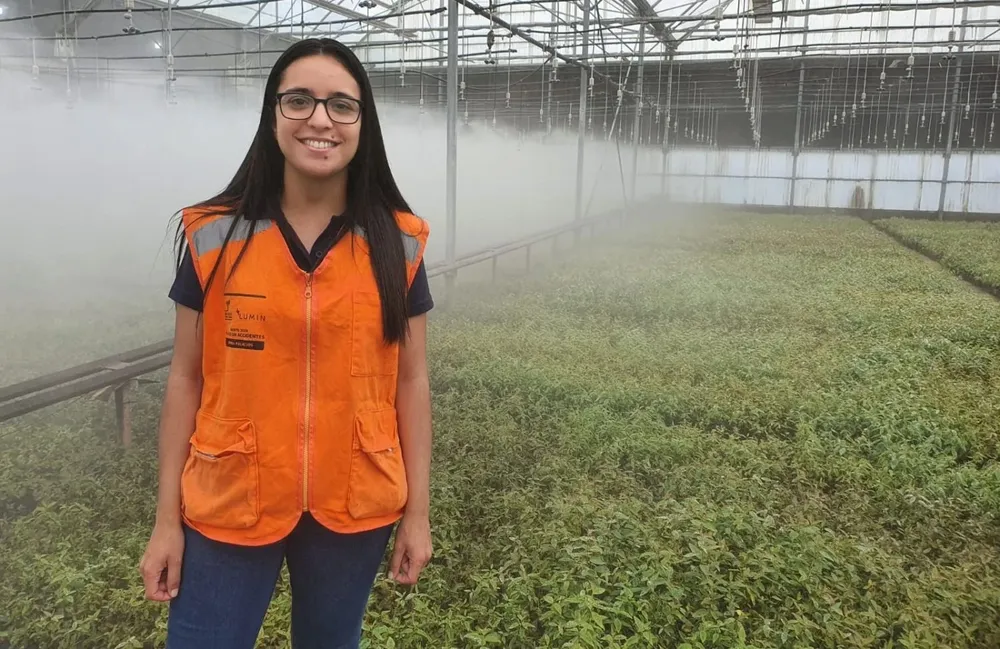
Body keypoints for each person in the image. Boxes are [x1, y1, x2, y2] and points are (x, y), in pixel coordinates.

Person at [138, 38, 434, 649]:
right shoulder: (214, 235)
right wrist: (167, 521)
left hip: (354, 502)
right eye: (299, 100)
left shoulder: (397, 243)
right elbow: (185, 378)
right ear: (273, 116)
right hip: (230, 496)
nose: (320, 119)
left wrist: (419, 513)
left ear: (362, 123)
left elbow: (411, 380)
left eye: (341, 106)